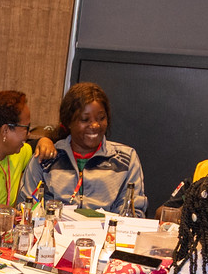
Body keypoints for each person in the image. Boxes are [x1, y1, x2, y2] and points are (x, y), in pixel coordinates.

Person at [23, 81, 146, 214]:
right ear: (69, 122)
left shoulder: (126, 159)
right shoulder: (45, 159)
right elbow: (25, 208)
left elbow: (134, 213)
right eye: (85, 120)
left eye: (101, 118)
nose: (95, 125)